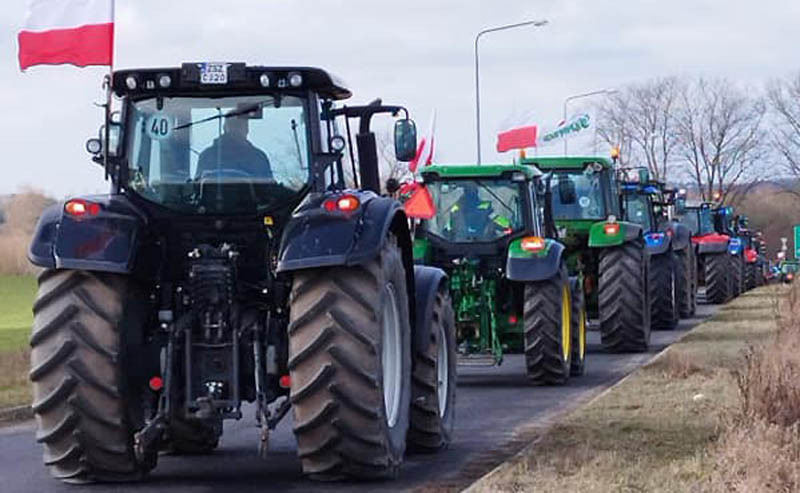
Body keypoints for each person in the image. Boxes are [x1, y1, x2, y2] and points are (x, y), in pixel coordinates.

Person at [196, 115, 273, 180]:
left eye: (240, 125)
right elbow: (197, 188)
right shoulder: (207, 156)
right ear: (224, 128)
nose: (236, 129)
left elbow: (268, 190)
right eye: (233, 125)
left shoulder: (258, 157)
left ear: (247, 129)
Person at [447, 184, 512, 239]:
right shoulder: (456, 209)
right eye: (468, 192)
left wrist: (506, 226)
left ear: (476, 193)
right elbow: (446, 230)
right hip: (458, 246)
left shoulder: (486, 207)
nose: (471, 195)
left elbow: (505, 225)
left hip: (488, 245)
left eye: (473, 192)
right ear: (464, 193)